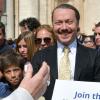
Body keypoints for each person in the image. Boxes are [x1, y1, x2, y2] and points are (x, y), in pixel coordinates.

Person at [31, 3, 100, 100]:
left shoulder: (94, 56)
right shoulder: (39, 57)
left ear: (77, 24)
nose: (64, 28)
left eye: (69, 22)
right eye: (58, 22)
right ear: (53, 25)